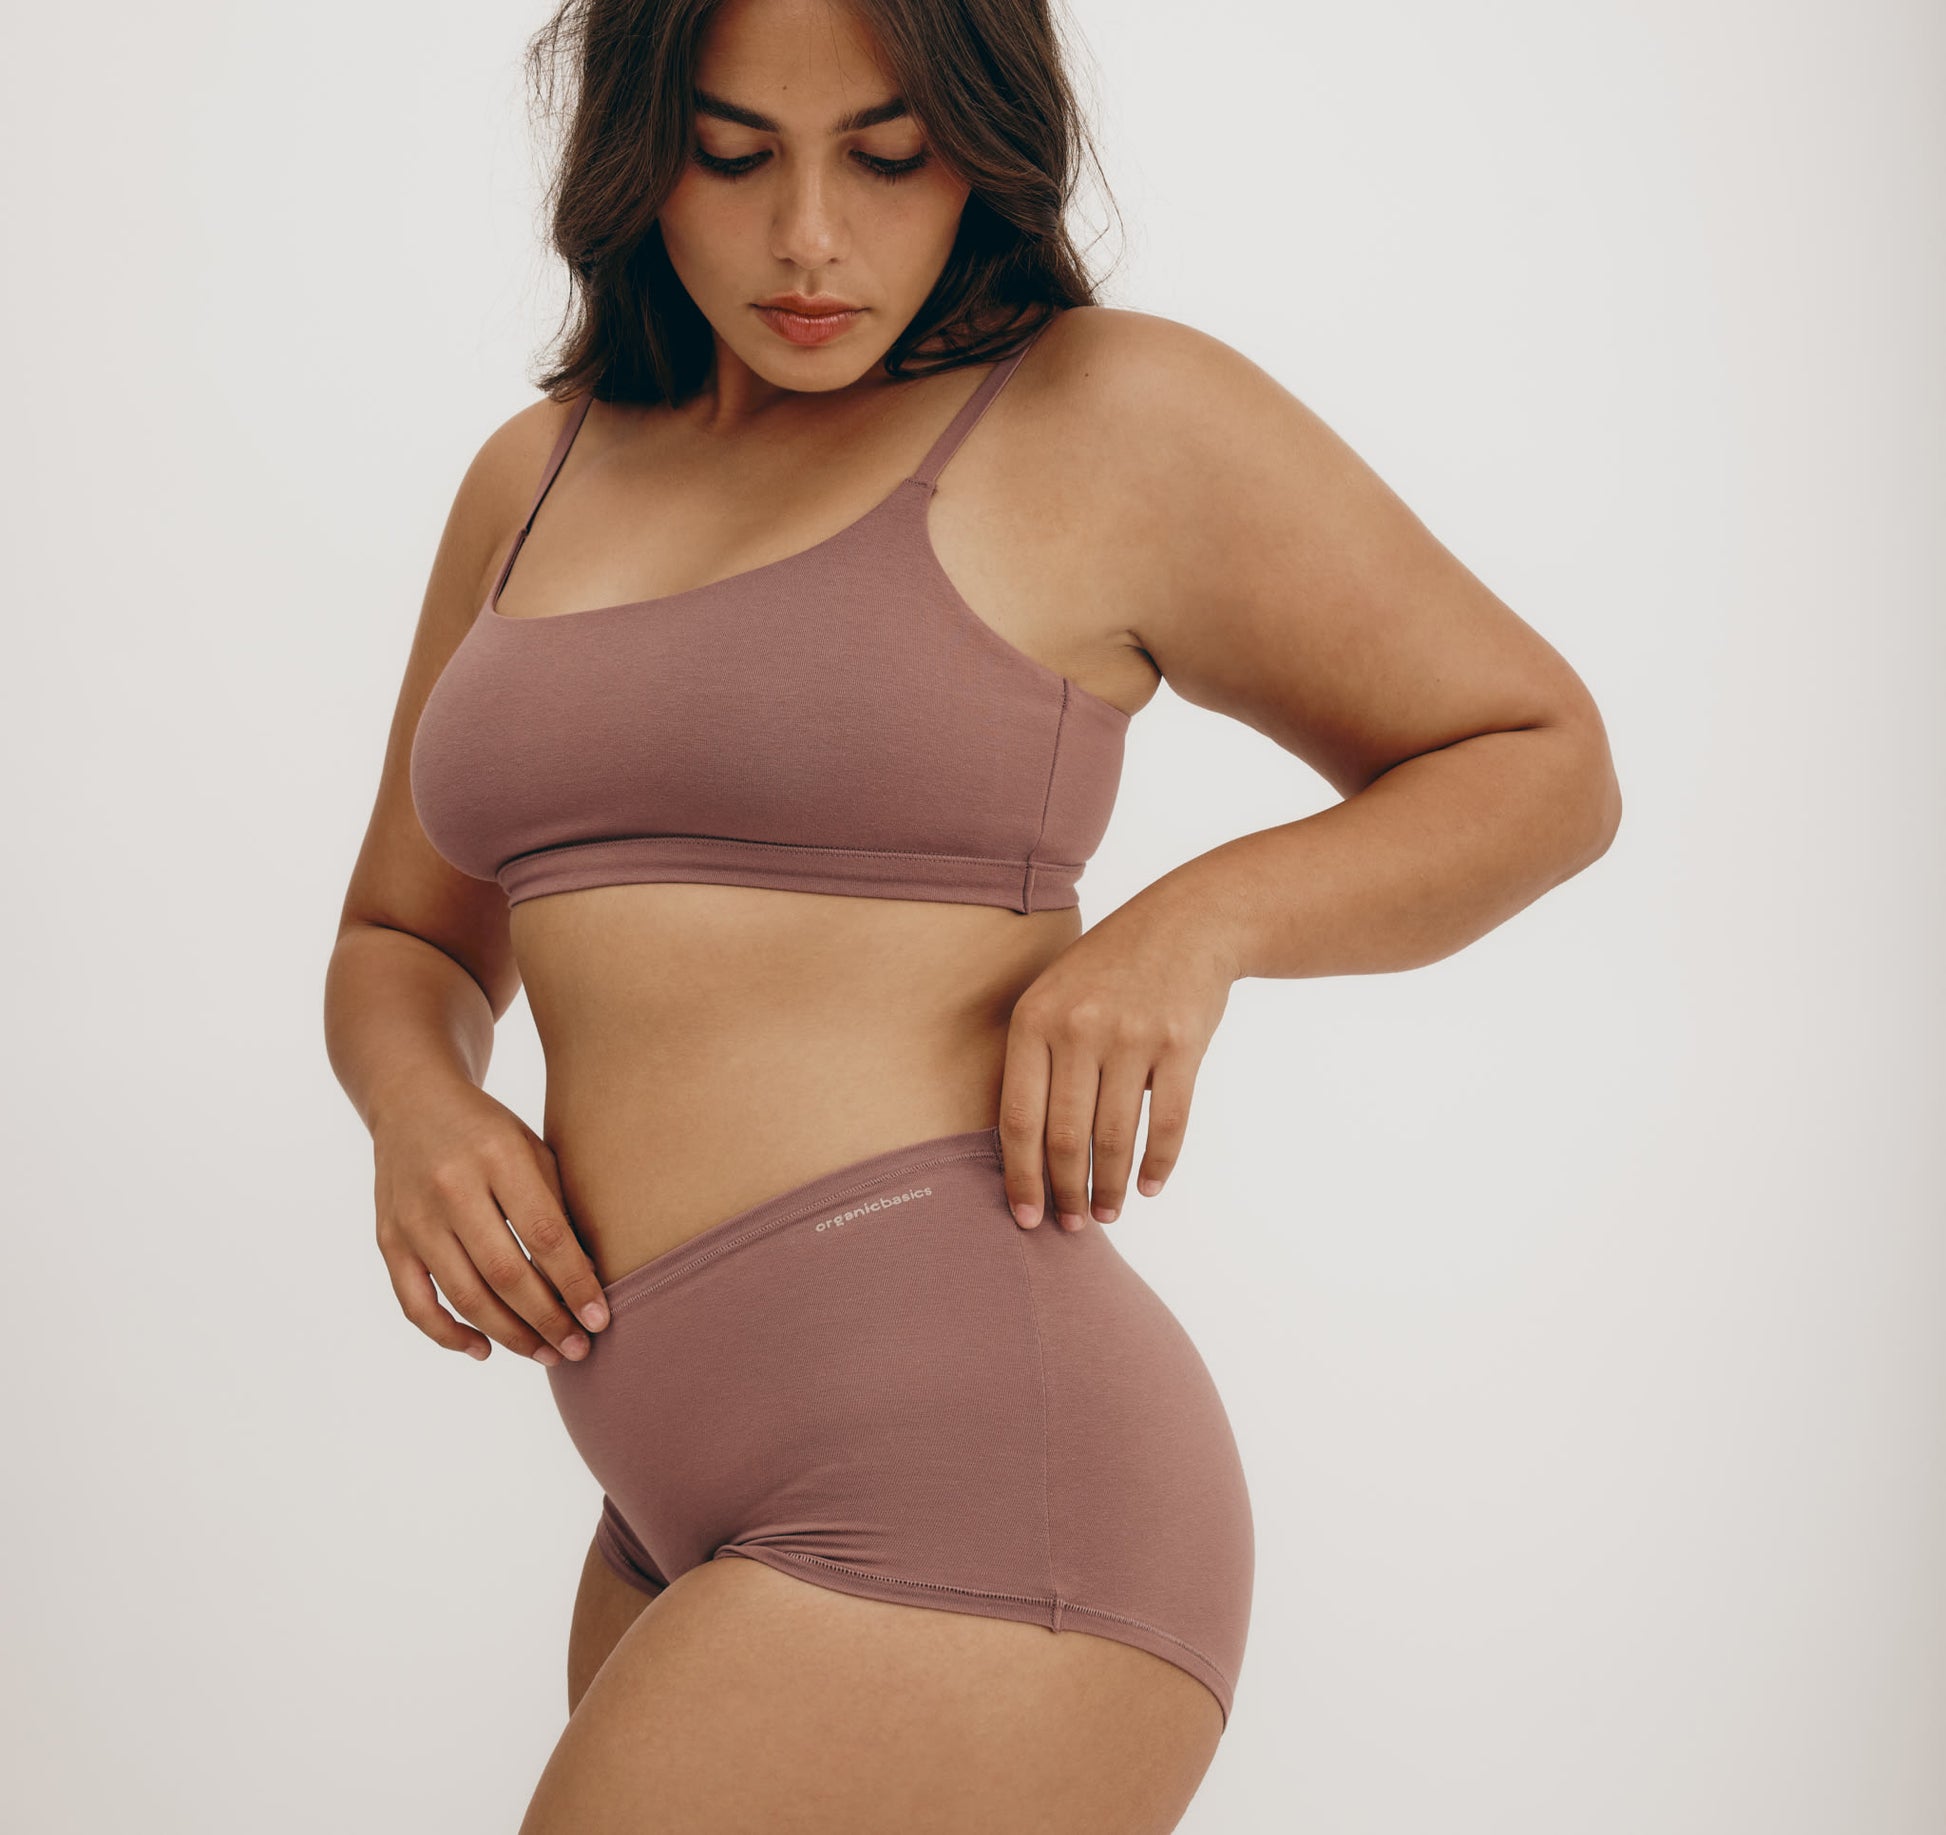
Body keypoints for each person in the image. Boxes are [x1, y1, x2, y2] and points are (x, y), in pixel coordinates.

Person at [323, 0, 1622, 1826]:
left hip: (975, 1479)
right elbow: (401, 934)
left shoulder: (1107, 411)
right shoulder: (533, 475)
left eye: (886, 155)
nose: (807, 239)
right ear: (636, 155)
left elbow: (1540, 759)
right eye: (730, 155)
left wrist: (1190, 927)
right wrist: (419, 1107)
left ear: (984, 151)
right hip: (660, 1492)